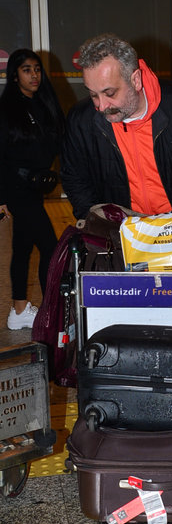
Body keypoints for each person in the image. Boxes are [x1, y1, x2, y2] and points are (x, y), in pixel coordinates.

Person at [60, 33, 172, 267]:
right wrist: (99, 224)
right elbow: (74, 177)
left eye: (110, 93)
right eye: (93, 94)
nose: (101, 106)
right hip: (121, 240)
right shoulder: (81, 120)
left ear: (136, 80)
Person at [0, 49, 64, 330]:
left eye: (37, 69)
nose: (34, 75)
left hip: (34, 187)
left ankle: (18, 311)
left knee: (23, 248)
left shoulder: (43, 104)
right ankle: (49, 311)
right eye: (27, 70)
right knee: (50, 248)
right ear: (15, 75)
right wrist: (1, 197)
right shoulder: (6, 109)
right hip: (16, 188)